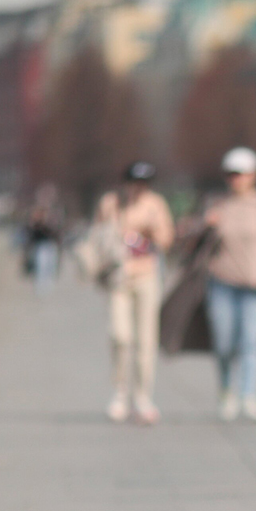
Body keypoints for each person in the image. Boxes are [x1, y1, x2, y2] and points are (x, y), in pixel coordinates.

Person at [203, 146, 256, 422]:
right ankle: (226, 391)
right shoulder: (217, 204)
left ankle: (249, 396)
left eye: (241, 173)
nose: (236, 179)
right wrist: (206, 226)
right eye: (230, 174)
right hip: (222, 282)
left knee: (252, 342)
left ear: (254, 175)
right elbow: (194, 246)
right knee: (225, 343)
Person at [95, 161, 175, 424]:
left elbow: (166, 240)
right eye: (134, 182)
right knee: (120, 336)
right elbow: (98, 234)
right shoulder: (111, 203)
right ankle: (119, 393)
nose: (138, 188)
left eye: (144, 183)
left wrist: (151, 231)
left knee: (146, 339)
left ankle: (143, 396)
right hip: (118, 276)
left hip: (146, 275)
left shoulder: (155, 204)